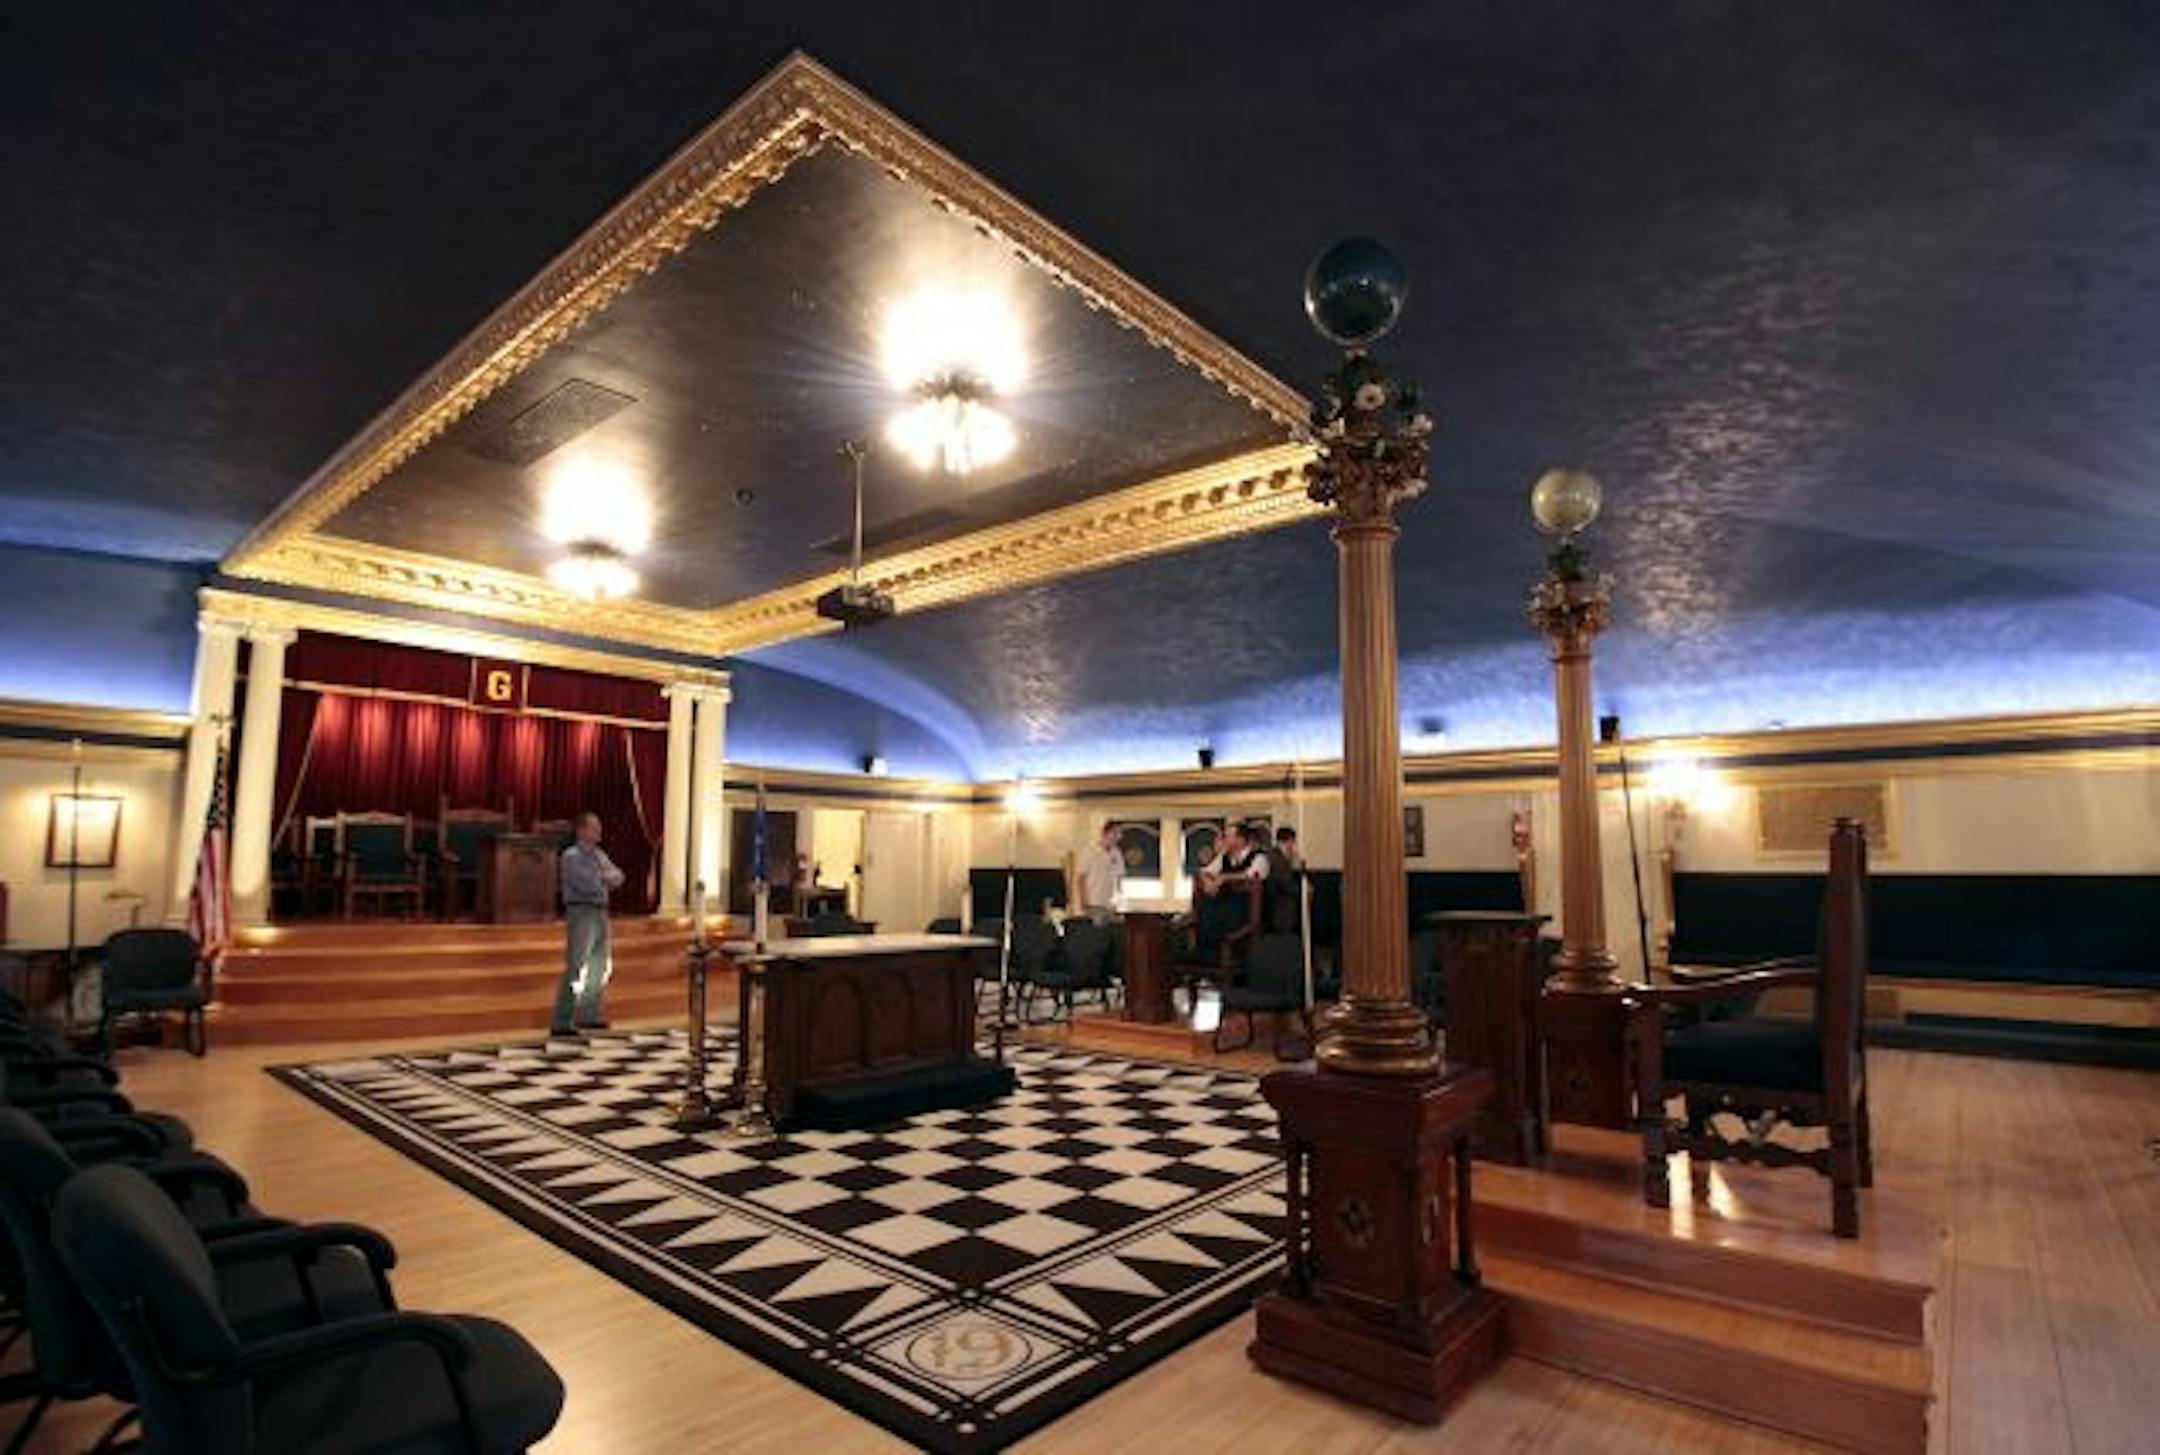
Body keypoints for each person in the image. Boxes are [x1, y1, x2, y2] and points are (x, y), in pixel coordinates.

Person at [552, 811, 625, 1036]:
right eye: (595, 828)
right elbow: (588, 885)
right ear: (582, 830)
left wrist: (603, 877)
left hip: (601, 912)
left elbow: (619, 877)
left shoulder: (599, 855)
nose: (599, 832)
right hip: (581, 911)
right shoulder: (571, 857)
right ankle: (562, 1020)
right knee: (577, 964)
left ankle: (589, 1015)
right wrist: (604, 878)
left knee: (599, 965)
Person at [1078, 820, 1125, 919]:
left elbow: (1119, 878)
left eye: (1120, 834)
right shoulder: (1090, 850)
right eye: (1115, 833)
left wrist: (1120, 901)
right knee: (1096, 932)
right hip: (1094, 902)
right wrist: (1083, 901)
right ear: (1105, 833)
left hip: (1110, 904)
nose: (1118, 837)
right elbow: (1081, 878)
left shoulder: (1117, 853)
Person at [1268, 824, 1305, 932]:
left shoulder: (1280, 856)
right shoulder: (1276, 857)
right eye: (1293, 841)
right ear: (1289, 840)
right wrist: (1302, 891)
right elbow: (1283, 880)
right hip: (1281, 905)